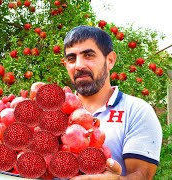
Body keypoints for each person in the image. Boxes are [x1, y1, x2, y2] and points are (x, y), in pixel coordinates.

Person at [63, 25, 162, 179]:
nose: (79, 65)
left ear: (110, 60)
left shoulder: (137, 111)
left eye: (88, 55)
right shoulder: (53, 112)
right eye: (71, 58)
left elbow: (142, 175)